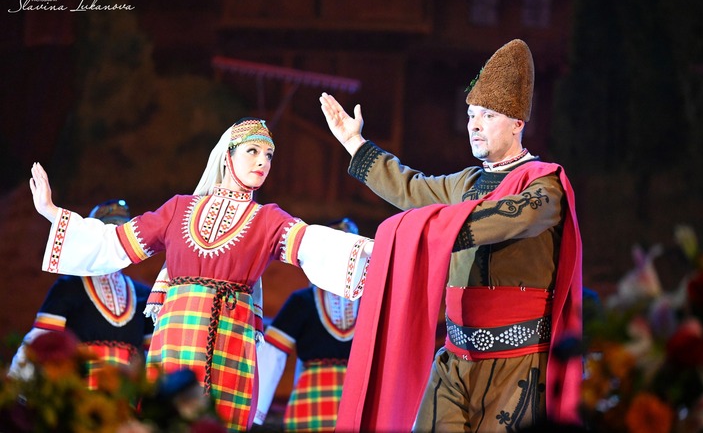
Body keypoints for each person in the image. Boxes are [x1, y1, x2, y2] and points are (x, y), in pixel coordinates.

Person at [28, 118, 373, 433]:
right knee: (168, 417)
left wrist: (379, 248)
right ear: (227, 156)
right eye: (253, 151)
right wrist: (53, 213)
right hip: (176, 335)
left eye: (269, 155)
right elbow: (116, 243)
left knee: (219, 422)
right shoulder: (178, 208)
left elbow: (313, 243)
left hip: (231, 338)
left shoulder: (268, 219)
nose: (262, 162)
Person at [319, 39, 583, 432]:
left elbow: (506, 218)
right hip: (456, 359)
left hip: (516, 364)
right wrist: (354, 143)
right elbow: (412, 190)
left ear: (517, 123)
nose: (473, 124)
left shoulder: (545, 185)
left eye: (487, 115)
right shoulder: (465, 182)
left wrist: (430, 234)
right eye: (471, 114)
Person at [8, 199, 154, 389]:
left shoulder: (144, 296)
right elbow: (39, 344)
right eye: (106, 235)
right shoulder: (69, 287)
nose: (112, 244)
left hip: (126, 404)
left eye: (119, 235)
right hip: (79, 403)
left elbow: (154, 359)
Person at [253, 217, 361, 432]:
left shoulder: (372, 301)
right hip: (329, 396)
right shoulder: (302, 302)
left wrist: (256, 416)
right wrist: (256, 414)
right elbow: (274, 354)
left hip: (354, 394)